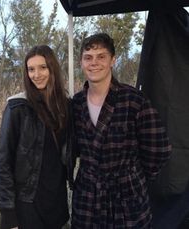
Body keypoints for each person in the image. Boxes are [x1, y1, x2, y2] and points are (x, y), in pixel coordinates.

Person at [71, 33, 172, 228]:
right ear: (81, 63)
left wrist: (132, 176)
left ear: (113, 61)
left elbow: (159, 150)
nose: (94, 63)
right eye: (88, 57)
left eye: (101, 56)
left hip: (127, 198)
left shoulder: (134, 100)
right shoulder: (75, 103)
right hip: (87, 197)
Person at [0, 45, 70, 229]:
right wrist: (8, 215)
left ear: (52, 68)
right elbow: (3, 164)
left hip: (56, 202)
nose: (37, 74)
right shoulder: (17, 107)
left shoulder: (65, 106)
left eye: (43, 67)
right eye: (31, 69)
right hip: (27, 204)